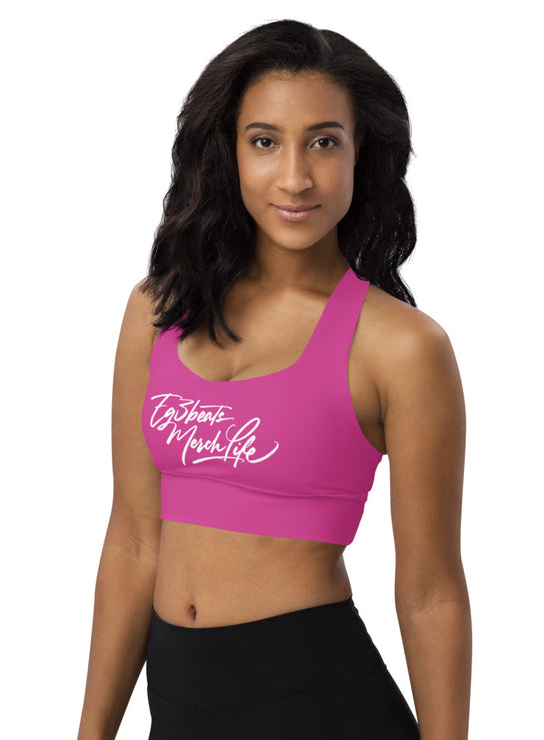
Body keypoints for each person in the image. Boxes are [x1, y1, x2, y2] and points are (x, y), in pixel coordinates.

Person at [77, 19, 471, 740]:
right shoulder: (158, 310)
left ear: (361, 153)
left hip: (321, 706)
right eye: (265, 141)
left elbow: (430, 592)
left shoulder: (402, 347)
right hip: (180, 710)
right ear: (228, 150)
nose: (295, 177)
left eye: (324, 142)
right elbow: (133, 540)